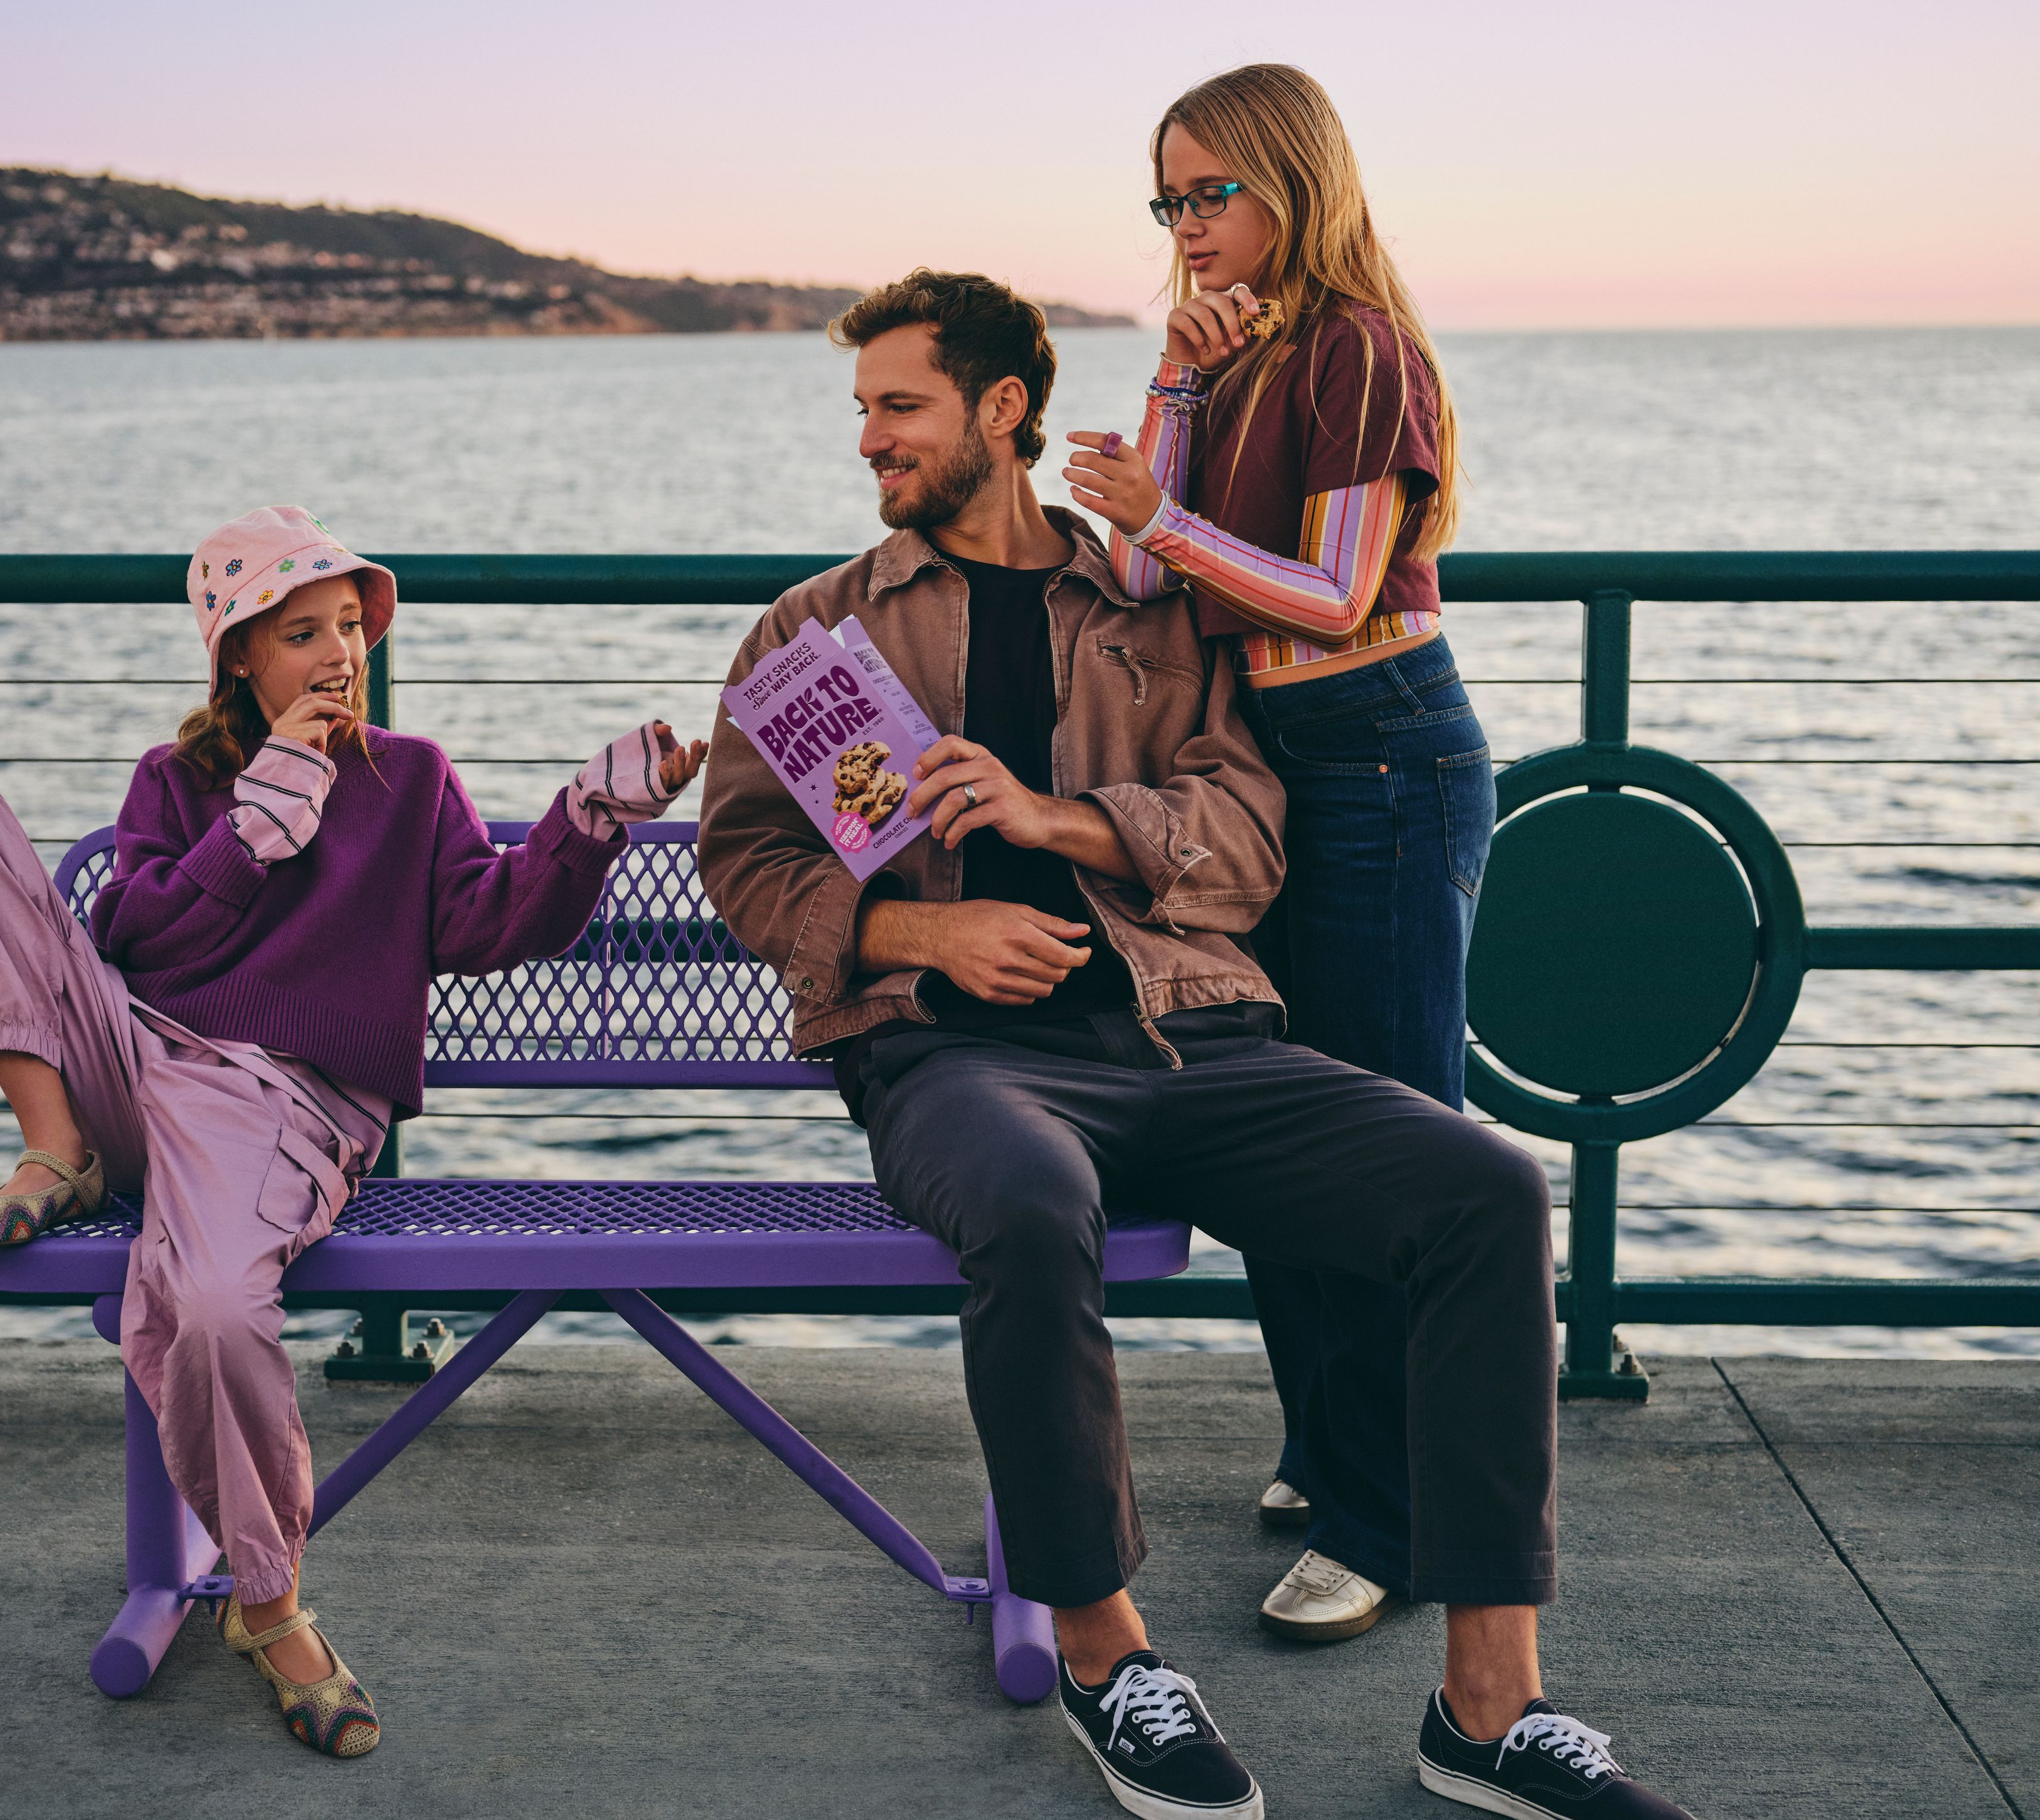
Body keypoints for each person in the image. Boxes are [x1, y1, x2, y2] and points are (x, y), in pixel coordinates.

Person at [698, 271, 1691, 1819]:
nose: (872, 441)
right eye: (866, 411)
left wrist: (1059, 819)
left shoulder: (1155, 614)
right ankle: (1109, 1660)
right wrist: (921, 933)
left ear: (1001, 412)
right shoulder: (821, 627)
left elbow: (1247, 841)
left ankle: (1489, 1710)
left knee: (1488, 1192)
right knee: (1030, 1210)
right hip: (954, 1062)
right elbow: (748, 865)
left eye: (900, 407)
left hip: (1192, 1038)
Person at [0, 504, 702, 1757]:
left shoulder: (411, 779)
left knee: (212, 1308)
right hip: (131, 1062)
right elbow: (136, 939)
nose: (341, 655)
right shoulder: (177, 783)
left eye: (351, 628)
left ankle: (266, 1604)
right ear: (239, 662)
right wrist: (258, 822)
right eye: (304, 632)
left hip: (278, 1106)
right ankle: (55, 1146)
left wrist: (590, 819)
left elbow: (486, 926)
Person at [1063, 61, 1495, 1656]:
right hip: (1276, 783)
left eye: (1212, 192)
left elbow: (1333, 591)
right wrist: (1173, 391)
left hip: (1382, 756)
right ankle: (1333, 1451)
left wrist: (1162, 525)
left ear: (1294, 181)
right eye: (1167, 200)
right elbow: (1126, 568)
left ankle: (1396, 1524)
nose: (1188, 225)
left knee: (1383, 1149)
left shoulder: (1358, 350)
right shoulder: (1236, 356)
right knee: (1275, 1136)